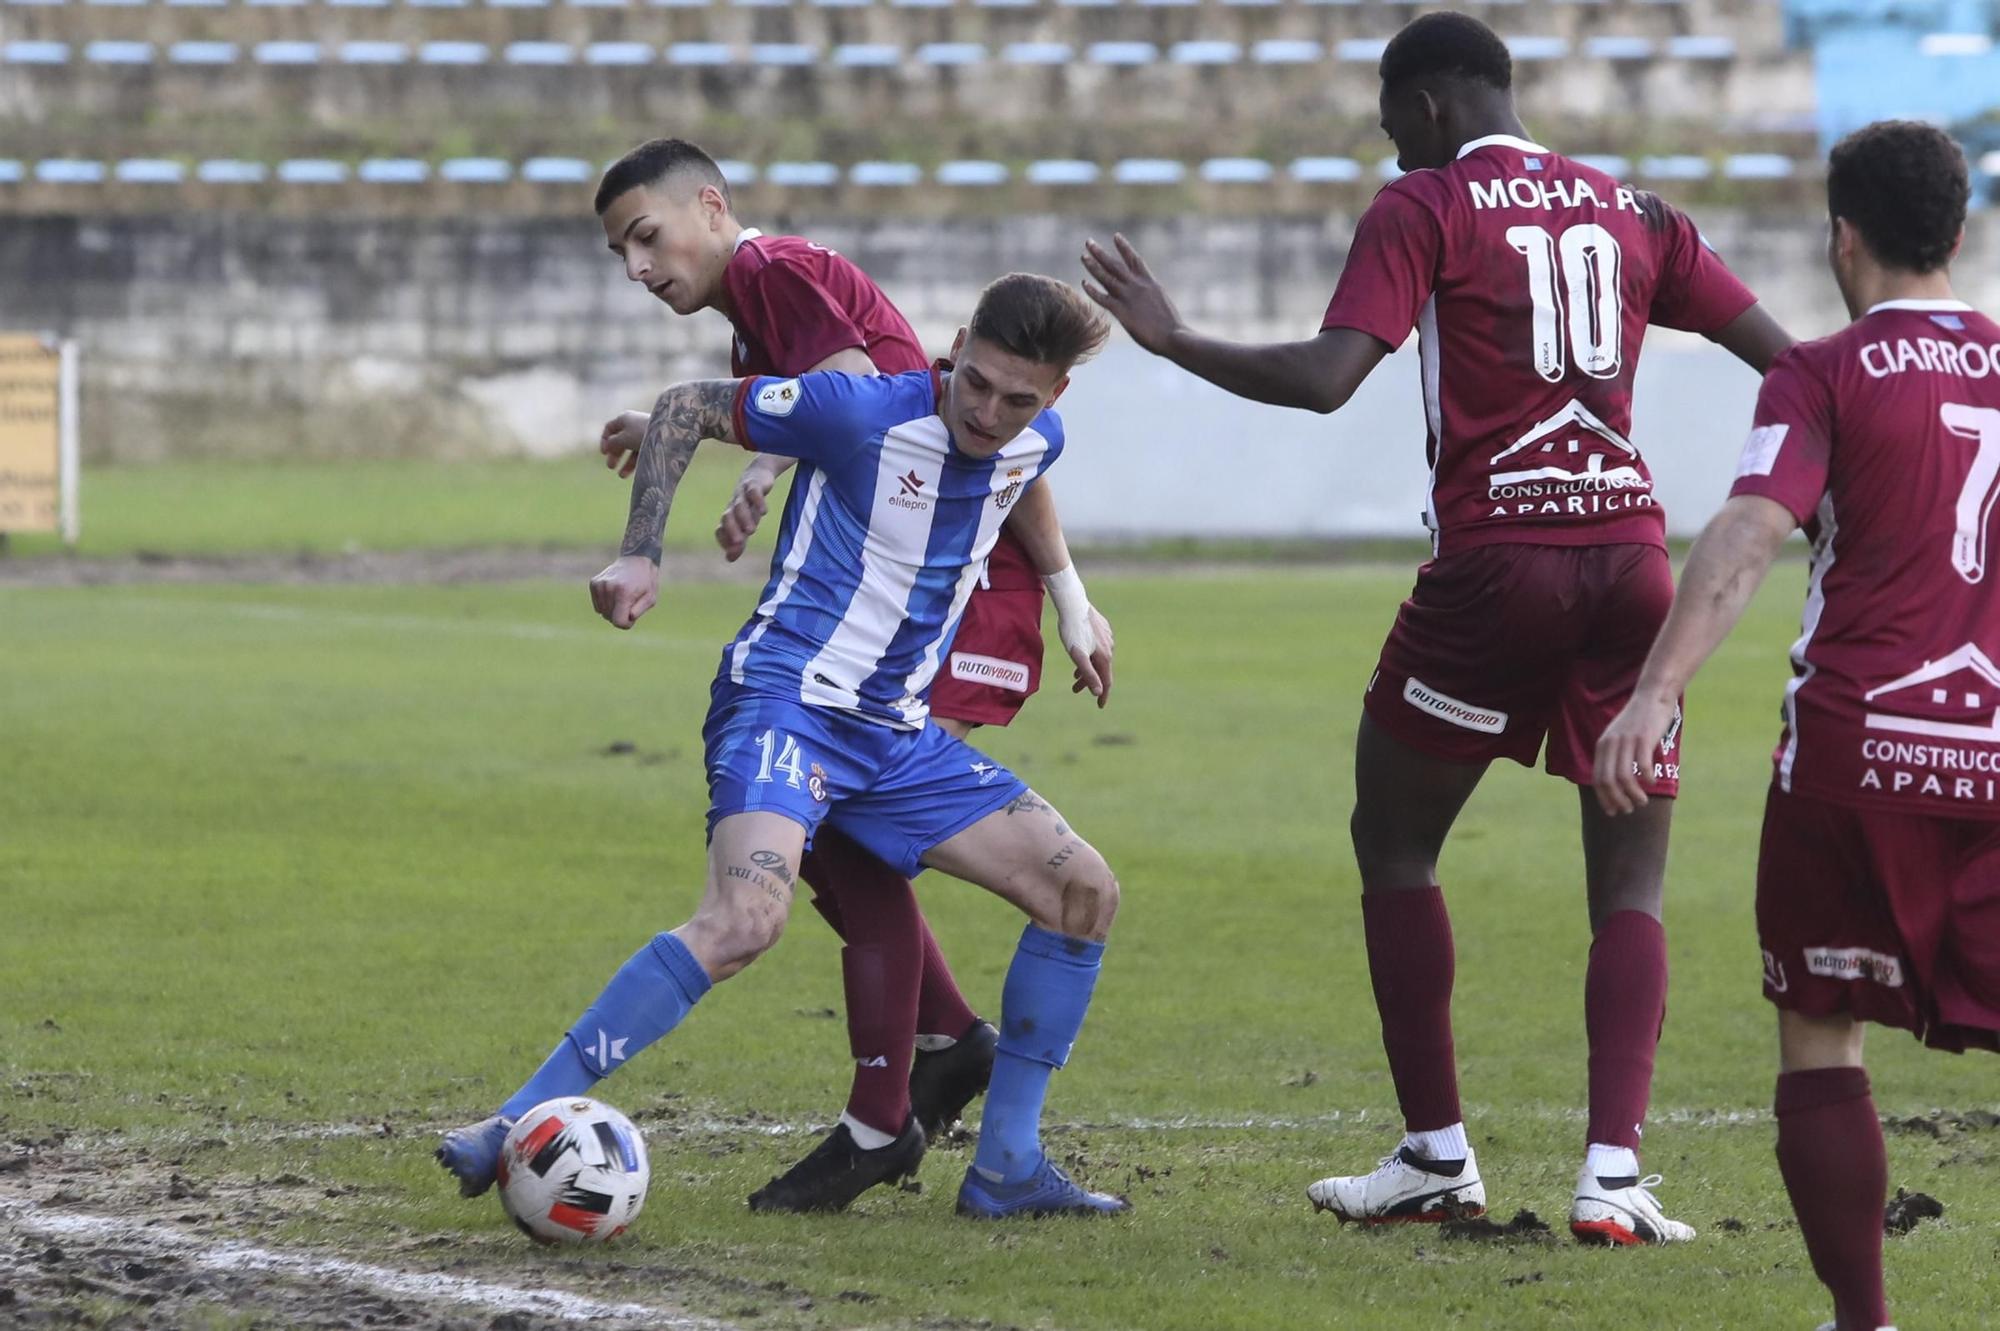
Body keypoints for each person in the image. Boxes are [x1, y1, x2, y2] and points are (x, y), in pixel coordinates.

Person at [1080, 9, 1795, 1242]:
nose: (1388, 142)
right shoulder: (1634, 210)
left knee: (1394, 836)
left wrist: (1172, 335)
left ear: (1424, 108)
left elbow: (1322, 378)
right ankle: (1612, 1176)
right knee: (1628, 874)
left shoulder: (1422, 206)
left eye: (1386, 121)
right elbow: (1784, 359)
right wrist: (1823, 486)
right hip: (1632, 561)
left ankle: (1433, 1154)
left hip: (1493, 569)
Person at [451, 138, 1110, 1215]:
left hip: (895, 736)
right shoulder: (869, 409)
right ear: (950, 353)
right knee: (745, 918)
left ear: (1052, 394)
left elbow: (1023, 471)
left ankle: (1004, 1168)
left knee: (1084, 890)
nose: (986, 414)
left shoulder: (1032, 438)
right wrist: (643, 550)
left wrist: (1076, 605)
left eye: (1017, 400)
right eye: (975, 385)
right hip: (787, 707)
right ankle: (506, 1119)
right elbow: (680, 406)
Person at [1596, 121, 1990, 1329]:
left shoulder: (1820, 372)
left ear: (1841, 235)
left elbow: (1750, 530)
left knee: (1820, 1038)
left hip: (1853, 753)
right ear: (1957, 233)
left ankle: (1861, 1319)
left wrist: (1655, 688)